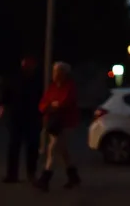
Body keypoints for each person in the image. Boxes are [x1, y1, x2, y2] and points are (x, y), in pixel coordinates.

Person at [34, 62, 81, 192]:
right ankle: (73, 176)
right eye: (54, 71)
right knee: (63, 151)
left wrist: (52, 106)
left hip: (65, 123)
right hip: (54, 123)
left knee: (53, 149)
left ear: (64, 74)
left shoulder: (69, 87)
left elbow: (64, 103)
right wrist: (50, 106)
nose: (54, 74)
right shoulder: (53, 87)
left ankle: (45, 178)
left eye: (57, 72)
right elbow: (44, 103)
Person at [0, 56, 43, 184]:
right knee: (14, 145)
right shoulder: (15, 78)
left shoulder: (38, 79)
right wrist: (2, 106)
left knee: (32, 146)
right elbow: (6, 93)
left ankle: (31, 173)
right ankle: (12, 174)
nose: (26, 67)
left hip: (32, 116)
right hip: (16, 115)